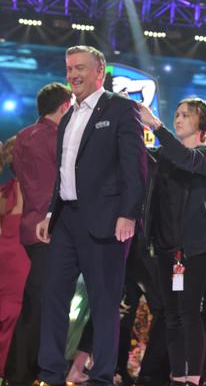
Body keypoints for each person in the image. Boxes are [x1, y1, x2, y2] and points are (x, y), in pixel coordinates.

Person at [36, 45, 147, 386]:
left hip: (106, 222)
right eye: (69, 68)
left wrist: (128, 214)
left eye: (80, 68)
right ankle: (50, 375)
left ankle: (100, 377)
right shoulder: (68, 116)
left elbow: (136, 168)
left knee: (104, 303)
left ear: (99, 72)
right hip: (66, 220)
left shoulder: (121, 109)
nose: (73, 75)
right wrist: (51, 211)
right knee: (53, 296)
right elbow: (64, 171)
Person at [139, 98, 206, 386]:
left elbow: (186, 160)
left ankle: (194, 377)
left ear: (202, 122)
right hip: (164, 247)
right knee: (171, 314)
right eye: (176, 114)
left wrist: (157, 125)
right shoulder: (164, 154)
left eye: (186, 115)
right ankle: (178, 374)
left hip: (194, 248)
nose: (178, 118)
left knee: (189, 312)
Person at [5, 83, 72, 386]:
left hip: (28, 229)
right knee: (42, 307)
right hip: (53, 229)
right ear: (64, 107)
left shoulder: (22, 137)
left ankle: (23, 372)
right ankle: (24, 373)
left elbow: (20, 176)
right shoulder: (60, 138)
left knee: (36, 304)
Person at [0, 136, 31, 378]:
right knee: (16, 313)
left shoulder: (6, 190)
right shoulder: (30, 189)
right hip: (20, 258)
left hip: (5, 255)